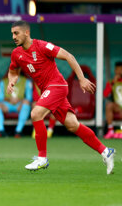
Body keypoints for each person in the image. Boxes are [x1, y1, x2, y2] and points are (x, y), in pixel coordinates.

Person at [8, 20, 115, 174]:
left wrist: (82, 79)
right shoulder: (16, 53)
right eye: (12, 33)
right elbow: (13, 70)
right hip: (48, 90)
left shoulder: (42, 46)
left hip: (57, 86)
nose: (13, 36)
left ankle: (42, 158)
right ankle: (105, 151)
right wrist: (12, 80)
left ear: (27, 32)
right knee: (72, 125)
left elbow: (69, 56)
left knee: (35, 113)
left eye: (16, 33)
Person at [0, 73, 32, 138]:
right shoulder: (3, 82)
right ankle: (1, 131)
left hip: (19, 105)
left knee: (26, 102)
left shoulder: (26, 81)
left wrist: (19, 100)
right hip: (7, 105)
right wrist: (9, 99)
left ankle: (18, 131)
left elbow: (29, 98)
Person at [103, 61, 122, 139]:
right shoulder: (111, 82)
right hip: (118, 106)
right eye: (118, 70)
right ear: (115, 71)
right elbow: (105, 94)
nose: (119, 72)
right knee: (109, 105)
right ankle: (110, 130)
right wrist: (113, 82)